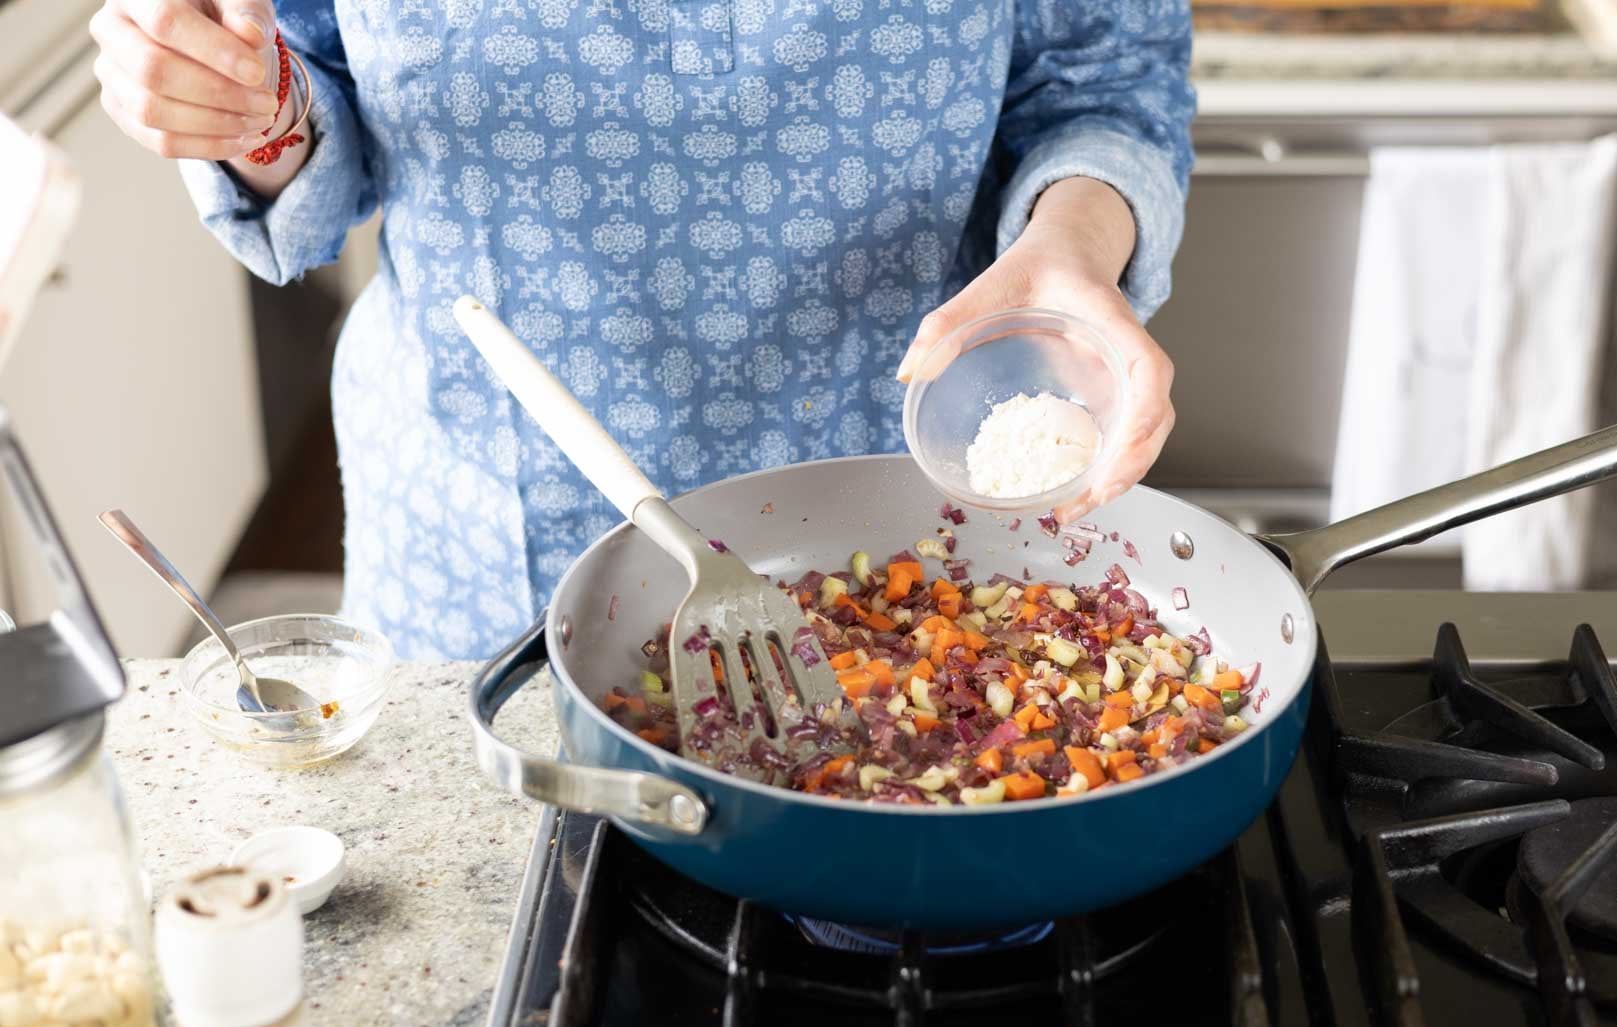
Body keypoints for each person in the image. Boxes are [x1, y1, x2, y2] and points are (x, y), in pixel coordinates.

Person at [90, 0, 1194, 659]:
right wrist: (247, 104)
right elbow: (308, 68)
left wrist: (1074, 246)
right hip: (494, 555)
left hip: (913, 512)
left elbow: (1102, 79)